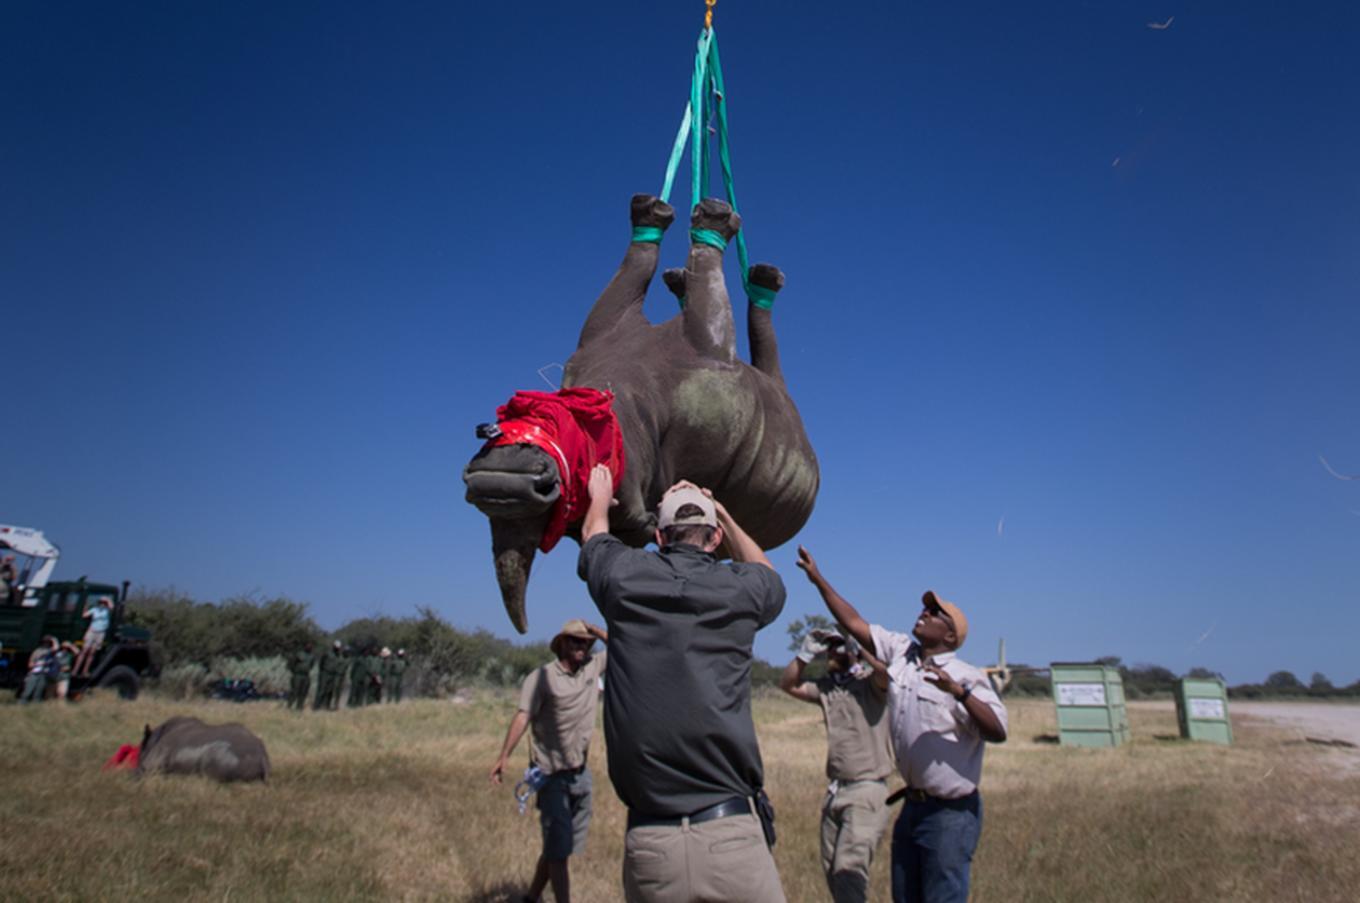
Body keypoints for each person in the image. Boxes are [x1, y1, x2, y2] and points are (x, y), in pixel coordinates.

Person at [578, 465, 787, 903]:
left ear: (659, 536)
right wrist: (724, 514)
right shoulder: (742, 589)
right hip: (732, 837)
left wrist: (598, 495)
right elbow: (768, 573)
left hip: (653, 847)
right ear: (714, 540)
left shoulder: (623, 577)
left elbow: (595, 536)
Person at [797, 547, 1008, 903]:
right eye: (925, 606)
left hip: (950, 815)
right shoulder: (901, 655)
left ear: (951, 636)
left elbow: (997, 731)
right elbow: (854, 622)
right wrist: (818, 579)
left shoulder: (965, 676)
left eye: (935, 612)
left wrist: (958, 692)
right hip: (913, 806)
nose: (924, 611)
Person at [491, 618, 609, 903]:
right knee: (558, 850)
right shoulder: (542, 678)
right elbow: (523, 716)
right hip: (551, 775)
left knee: (560, 847)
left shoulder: (593, 668)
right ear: (561, 644)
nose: (581, 647)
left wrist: (592, 629)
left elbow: (623, 642)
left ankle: (531, 898)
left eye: (585, 642)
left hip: (580, 775)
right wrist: (503, 756)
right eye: (575, 641)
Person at [780, 629, 895, 903]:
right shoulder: (828, 688)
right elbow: (788, 684)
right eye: (831, 647)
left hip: (867, 790)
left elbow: (885, 674)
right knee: (834, 875)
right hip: (835, 792)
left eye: (840, 646)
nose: (835, 652)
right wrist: (805, 653)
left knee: (849, 871)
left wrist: (860, 647)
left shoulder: (870, 684)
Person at [73, 596, 114, 677]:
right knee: (84, 651)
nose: (102, 604)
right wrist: (85, 606)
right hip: (92, 631)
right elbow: (84, 615)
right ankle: (75, 670)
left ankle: (85, 671)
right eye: (101, 603)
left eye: (104, 603)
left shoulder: (107, 611)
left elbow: (112, 607)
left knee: (92, 652)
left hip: (100, 633)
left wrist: (107, 599)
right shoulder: (94, 610)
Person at [20, 636, 58, 703]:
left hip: (43, 674)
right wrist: (38, 664)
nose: (46, 643)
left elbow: (56, 648)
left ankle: (34, 707)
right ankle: (21, 704)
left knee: (38, 692)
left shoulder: (50, 651)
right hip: (34, 673)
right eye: (45, 642)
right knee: (28, 691)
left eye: (48, 642)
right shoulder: (37, 651)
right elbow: (30, 664)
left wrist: (53, 639)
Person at [314, 640, 345, 710]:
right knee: (322, 690)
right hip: (325, 673)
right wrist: (323, 671)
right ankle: (316, 706)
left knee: (330, 691)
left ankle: (326, 706)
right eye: (336, 647)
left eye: (339, 648)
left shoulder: (339, 655)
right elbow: (321, 662)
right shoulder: (327, 653)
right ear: (333, 646)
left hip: (333, 675)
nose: (337, 649)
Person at [287, 643, 315, 711]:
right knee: (295, 691)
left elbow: (311, 666)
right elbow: (291, 663)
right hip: (297, 675)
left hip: (306, 676)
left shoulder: (312, 656)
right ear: (305, 647)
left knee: (303, 692)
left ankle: (299, 707)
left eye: (310, 647)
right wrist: (294, 671)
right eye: (308, 646)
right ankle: (289, 705)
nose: (309, 648)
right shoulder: (299, 654)